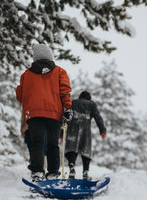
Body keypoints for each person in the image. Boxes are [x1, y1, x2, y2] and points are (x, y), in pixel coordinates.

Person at [16, 44, 73, 182]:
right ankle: (53, 173)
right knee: (53, 143)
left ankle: (37, 172)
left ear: (35, 58)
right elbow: (65, 92)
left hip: (34, 114)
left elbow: (20, 96)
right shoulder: (60, 72)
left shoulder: (26, 74)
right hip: (54, 113)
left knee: (37, 142)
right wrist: (67, 108)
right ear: (50, 56)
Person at [64, 91, 106, 180]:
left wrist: (60, 132)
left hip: (72, 129)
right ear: (88, 98)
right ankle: (85, 173)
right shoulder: (91, 104)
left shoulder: (72, 103)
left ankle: (72, 168)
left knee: (71, 149)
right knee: (85, 150)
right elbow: (98, 117)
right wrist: (102, 130)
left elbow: (65, 117)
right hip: (85, 130)